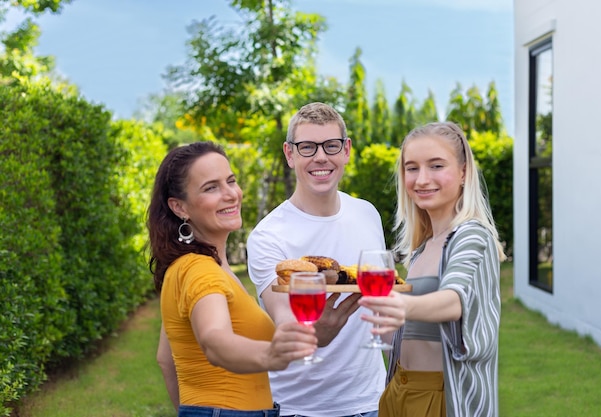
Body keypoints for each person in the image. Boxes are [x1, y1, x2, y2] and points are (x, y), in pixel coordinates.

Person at [147, 141, 318, 417]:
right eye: (211, 187)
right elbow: (214, 339)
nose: (230, 194)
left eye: (231, 181)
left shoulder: (184, 266)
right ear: (180, 207)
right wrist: (270, 355)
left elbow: (165, 360)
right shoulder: (201, 270)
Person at [246, 102, 387, 417]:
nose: (321, 157)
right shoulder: (268, 236)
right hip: (300, 408)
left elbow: (382, 307)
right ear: (290, 154)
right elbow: (285, 322)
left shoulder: (367, 214)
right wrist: (316, 333)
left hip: (373, 401)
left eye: (331, 146)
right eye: (307, 147)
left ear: (346, 150)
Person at [358, 121, 506, 417]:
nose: (422, 179)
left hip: (440, 398)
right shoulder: (421, 248)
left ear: (464, 172)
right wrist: (379, 315)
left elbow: (454, 300)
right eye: (411, 168)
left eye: (436, 166)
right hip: (399, 389)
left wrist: (400, 305)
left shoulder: (472, 235)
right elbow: (415, 333)